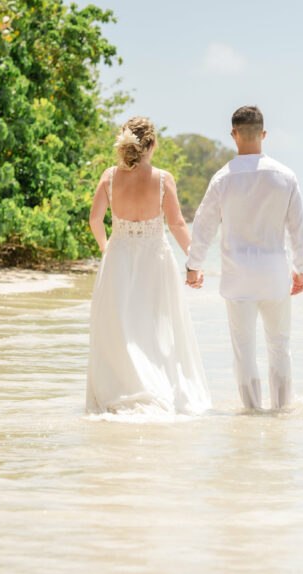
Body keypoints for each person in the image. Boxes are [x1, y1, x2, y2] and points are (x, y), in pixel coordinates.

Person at [185, 105, 303, 410]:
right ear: (264, 134)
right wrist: (301, 268)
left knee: (243, 351)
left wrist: (193, 267)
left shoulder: (222, 179)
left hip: (238, 278)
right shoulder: (285, 176)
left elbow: (203, 226)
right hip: (274, 275)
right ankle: (281, 412)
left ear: (234, 135)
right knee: (280, 347)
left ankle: (252, 414)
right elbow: (298, 229)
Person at [85, 117, 212, 415]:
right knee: (158, 328)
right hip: (156, 260)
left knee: (120, 328)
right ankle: (159, 387)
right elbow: (177, 223)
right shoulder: (163, 178)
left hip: (118, 258)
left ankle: (122, 388)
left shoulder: (109, 177)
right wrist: (194, 261)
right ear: (152, 144)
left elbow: (94, 220)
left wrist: (107, 249)